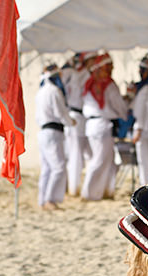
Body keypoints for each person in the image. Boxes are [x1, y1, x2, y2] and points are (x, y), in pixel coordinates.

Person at [80, 54, 128, 201]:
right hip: (102, 125)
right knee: (100, 160)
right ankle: (89, 193)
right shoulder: (109, 85)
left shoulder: (89, 83)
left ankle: (104, 191)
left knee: (108, 160)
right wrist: (126, 112)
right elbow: (119, 106)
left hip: (93, 125)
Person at [35, 64, 75, 210]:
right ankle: (50, 200)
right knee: (58, 167)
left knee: (47, 168)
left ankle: (43, 199)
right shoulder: (54, 91)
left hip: (44, 132)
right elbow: (60, 113)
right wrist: (71, 122)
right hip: (53, 132)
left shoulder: (41, 92)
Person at [64, 51, 97, 195]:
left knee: (88, 154)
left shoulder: (79, 74)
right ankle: (73, 188)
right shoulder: (83, 75)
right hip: (76, 116)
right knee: (75, 154)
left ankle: (78, 186)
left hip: (81, 118)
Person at [130, 56, 148, 185]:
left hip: (143, 130)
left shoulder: (146, 89)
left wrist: (139, 129)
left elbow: (140, 110)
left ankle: (146, 186)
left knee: (145, 162)